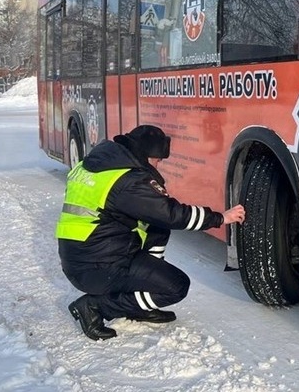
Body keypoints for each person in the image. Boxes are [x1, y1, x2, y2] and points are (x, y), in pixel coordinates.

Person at [56, 124, 245, 341]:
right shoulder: (128, 180)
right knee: (175, 286)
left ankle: (138, 302)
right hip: (97, 266)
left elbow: (158, 219)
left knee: (156, 224)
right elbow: (172, 214)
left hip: (85, 255)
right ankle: (94, 307)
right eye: (158, 160)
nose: (159, 165)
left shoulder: (99, 163)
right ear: (146, 155)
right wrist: (221, 218)